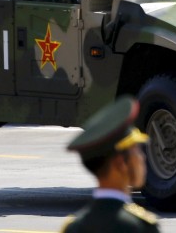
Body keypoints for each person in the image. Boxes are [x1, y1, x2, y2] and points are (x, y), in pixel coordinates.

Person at [61, 95, 160, 233]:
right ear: (120, 163)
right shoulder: (140, 227)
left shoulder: (73, 227)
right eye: (136, 151)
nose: (142, 157)